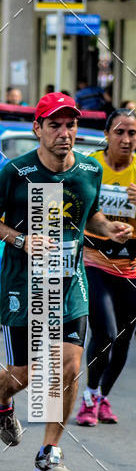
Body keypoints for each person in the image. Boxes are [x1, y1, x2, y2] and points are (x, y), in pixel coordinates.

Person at [0, 92, 132, 471]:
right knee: (23, 374)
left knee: (69, 365)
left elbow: (90, 213)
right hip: (23, 284)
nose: (64, 133)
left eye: (71, 125)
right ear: (38, 129)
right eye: (55, 125)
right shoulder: (17, 172)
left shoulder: (89, 171)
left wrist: (108, 228)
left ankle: (49, 452)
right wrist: (22, 240)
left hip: (69, 283)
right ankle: (1, 398)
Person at [76, 109, 136, 425]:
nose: (126, 139)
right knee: (106, 334)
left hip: (132, 267)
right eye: (119, 132)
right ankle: (88, 396)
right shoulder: (90, 166)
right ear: (106, 134)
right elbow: (70, 210)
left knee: (124, 338)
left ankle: (102, 397)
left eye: (132, 133)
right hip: (94, 261)